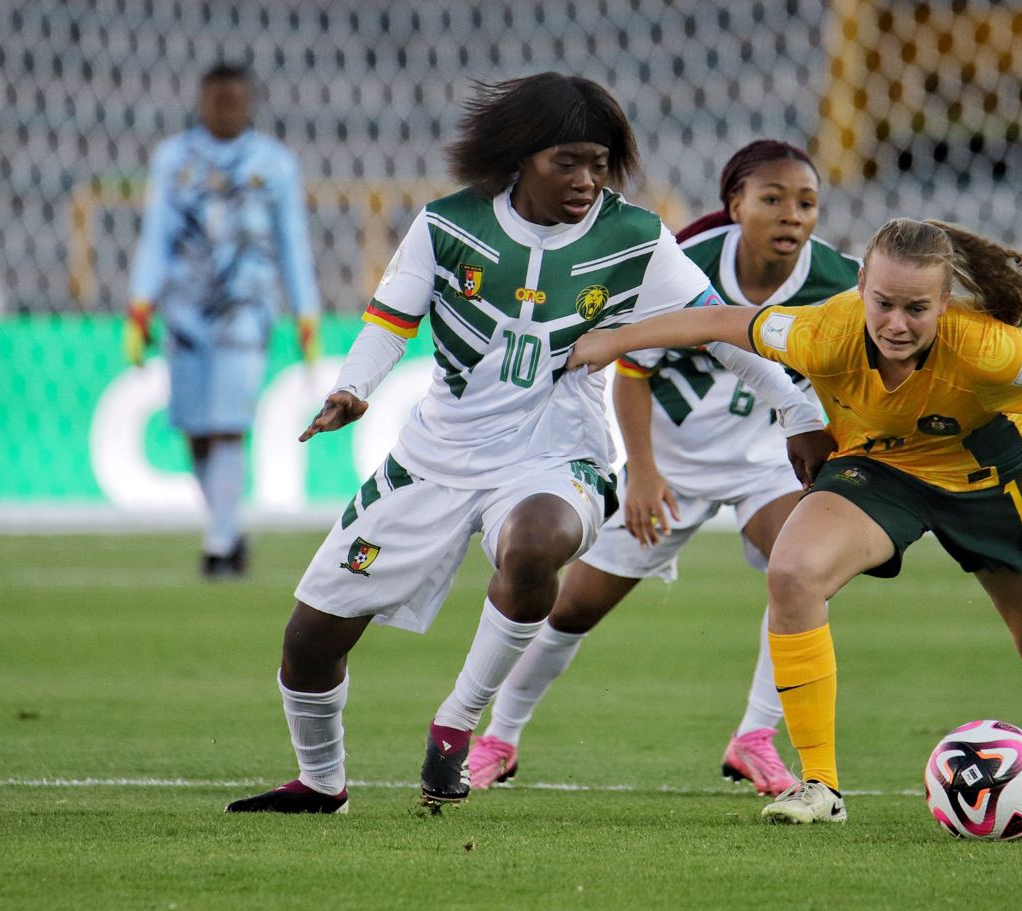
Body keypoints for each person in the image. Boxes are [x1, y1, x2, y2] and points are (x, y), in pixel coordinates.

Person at [223, 73, 830, 815]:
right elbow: (390, 320)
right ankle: (322, 784)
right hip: (435, 456)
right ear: (519, 156)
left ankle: (458, 721)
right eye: (566, 162)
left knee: (539, 538)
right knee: (309, 641)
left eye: (599, 164)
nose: (586, 181)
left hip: (557, 452)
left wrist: (797, 410)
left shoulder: (633, 236)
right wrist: (355, 388)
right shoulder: (447, 225)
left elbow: (722, 327)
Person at [567, 217, 1022, 826]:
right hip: (880, 468)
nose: (896, 324)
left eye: (916, 309)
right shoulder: (821, 331)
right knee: (792, 572)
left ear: (945, 302)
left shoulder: (991, 351)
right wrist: (613, 340)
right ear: (861, 283)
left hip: (989, 479)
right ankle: (820, 786)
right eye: (884, 303)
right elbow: (716, 322)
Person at [467, 140, 860, 797]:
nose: (791, 215)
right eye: (772, 199)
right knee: (572, 608)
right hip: (670, 462)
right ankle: (499, 736)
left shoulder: (840, 280)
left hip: (767, 460)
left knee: (801, 571)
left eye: (807, 202)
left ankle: (756, 736)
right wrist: (642, 473)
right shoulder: (684, 266)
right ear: (735, 205)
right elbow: (632, 370)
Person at [125, 63, 321, 578]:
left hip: (246, 311)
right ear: (202, 101)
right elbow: (157, 236)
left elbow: (291, 240)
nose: (225, 109)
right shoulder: (175, 159)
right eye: (217, 99)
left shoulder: (273, 163)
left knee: (230, 423)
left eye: (235, 100)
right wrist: (140, 303)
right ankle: (228, 532)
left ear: (250, 103)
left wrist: (306, 309)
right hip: (185, 311)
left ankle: (217, 546)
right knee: (195, 428)